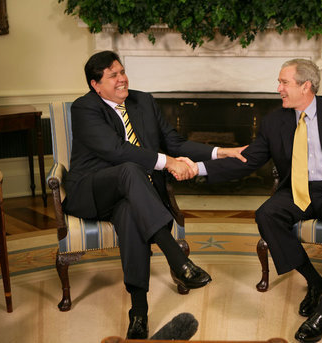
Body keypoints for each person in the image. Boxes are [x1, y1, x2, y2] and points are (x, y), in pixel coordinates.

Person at [182, 59, 322, 342]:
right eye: (279, 83)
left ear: (306, 86)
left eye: (284, 83)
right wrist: (197, 168)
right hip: (298, 189)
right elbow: (247, 161)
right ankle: (314, 280)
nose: (278, 89)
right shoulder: (275, 120)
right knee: (266, 214)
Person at [63, 50, 246, 339]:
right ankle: (176, 257)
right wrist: (168, 162)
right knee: (128, 168)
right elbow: (116, 150)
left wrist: (219, 152)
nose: (122, 79)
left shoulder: (143, 100)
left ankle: (138, 313)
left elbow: (174, 140)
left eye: (122, 72)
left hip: (133, 196)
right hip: (91, 190)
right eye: (113, 76)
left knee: (130, 215)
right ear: (95, 85)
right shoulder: (84, 108)